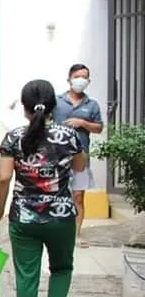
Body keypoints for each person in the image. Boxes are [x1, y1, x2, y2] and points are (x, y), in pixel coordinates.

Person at [0, 79, 86, 297]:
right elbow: (80, 166)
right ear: (53, 106)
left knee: (26, 277)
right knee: (62, 268)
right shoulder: (68, 136)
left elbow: (3, 177)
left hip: (24, 218)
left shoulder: (13, 138)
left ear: (25, 107)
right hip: (61, 217)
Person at [53, 64, 103, 247]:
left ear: (88, 81)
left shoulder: (92, 104)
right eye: (77, 76)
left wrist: (83, 123)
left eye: (84, 77)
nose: (81, 80)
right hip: (57, 157)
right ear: (69, 79)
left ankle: (75, 235)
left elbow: (99, 127)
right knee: (56, 194)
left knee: (78, 196)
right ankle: (56, 231)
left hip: (80, 157)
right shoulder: (56, 101)